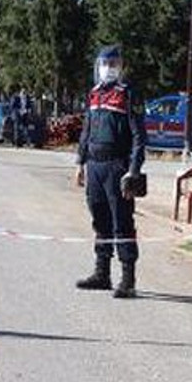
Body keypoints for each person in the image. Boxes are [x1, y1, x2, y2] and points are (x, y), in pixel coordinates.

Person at [74, 45, 147, 298]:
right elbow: (86, 131)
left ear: (121, 67)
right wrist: (80, 163)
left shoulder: (127, 95)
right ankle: (101, 273)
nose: (109, 69)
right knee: (99, 219)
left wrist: (133, 171)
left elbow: (139, 136)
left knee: (122, 222)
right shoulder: (94, 95)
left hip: (118, 166)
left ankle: (128, 279)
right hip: (94, 166)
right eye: (105, 64)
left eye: (114, 64)